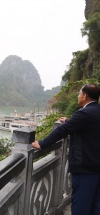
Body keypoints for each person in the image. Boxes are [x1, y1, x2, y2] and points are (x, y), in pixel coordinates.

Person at [32, 84, 100, 215]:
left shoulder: (85, 113)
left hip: (86, 167)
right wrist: (69, 120)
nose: (78, 96)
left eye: (79, 93)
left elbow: (63, 130)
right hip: (97, 166)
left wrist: (41, 144)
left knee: (81, 205)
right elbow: (90, 127)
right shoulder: (95, 112)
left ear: (85, 96)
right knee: (96, 203)